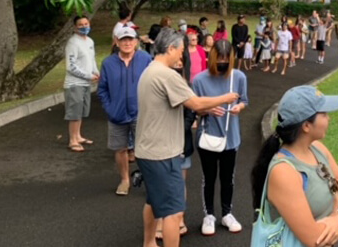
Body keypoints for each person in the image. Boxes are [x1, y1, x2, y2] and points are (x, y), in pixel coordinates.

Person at [135, 28, 239, 247]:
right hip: (162, 152)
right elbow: (196, 103)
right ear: (171, 48)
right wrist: (226, 98)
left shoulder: (149, 70)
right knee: (174, 211)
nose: (182, 56)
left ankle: (149, 243)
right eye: (181, 51)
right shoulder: (166, 75)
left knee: (153, 200)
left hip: (148, 150)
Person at [251, 86, 338, 247]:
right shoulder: (284, 172)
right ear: (306, 126)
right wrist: (337, 208)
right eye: (324, 114)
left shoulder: (318, 149)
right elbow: (315, 239)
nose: (329, 119)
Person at [193, 40, 249, 235]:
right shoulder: (199, 80)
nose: (223, 62)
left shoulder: (239, 77)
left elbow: (244, 100)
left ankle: (227, 213)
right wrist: (207, 110)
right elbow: (194, 108)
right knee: (209, 178)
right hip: (208, 136)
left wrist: (238, 108)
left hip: (230, 137)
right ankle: (209, 214)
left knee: (228, 178)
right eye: (220, 58)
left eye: (227, 58)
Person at [98, 27, 152, 195]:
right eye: (123, 40)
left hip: (141, 113)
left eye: (130, 39)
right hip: (117, 115)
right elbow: (102, 90)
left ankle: (150, 181)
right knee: (120, 149)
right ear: (117, 41)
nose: (127, 43)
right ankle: (124, 180)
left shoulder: (145, 59)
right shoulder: (108, 63)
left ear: (136, 42)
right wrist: (110, 108)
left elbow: (154, 83)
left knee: (144, 149)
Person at [64, 16, 99, 152]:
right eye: (80, 25)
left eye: (86, 23)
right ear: (75, 27)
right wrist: (88, 76)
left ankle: (78, 136)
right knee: (75, 112)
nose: (84, 26)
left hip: (86, 83)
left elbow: (92, 59)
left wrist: (96, 72)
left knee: (82, 110)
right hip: (75, 84)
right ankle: (72, 140)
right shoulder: (73, 43)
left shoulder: (89, 41)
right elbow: (70, 66)